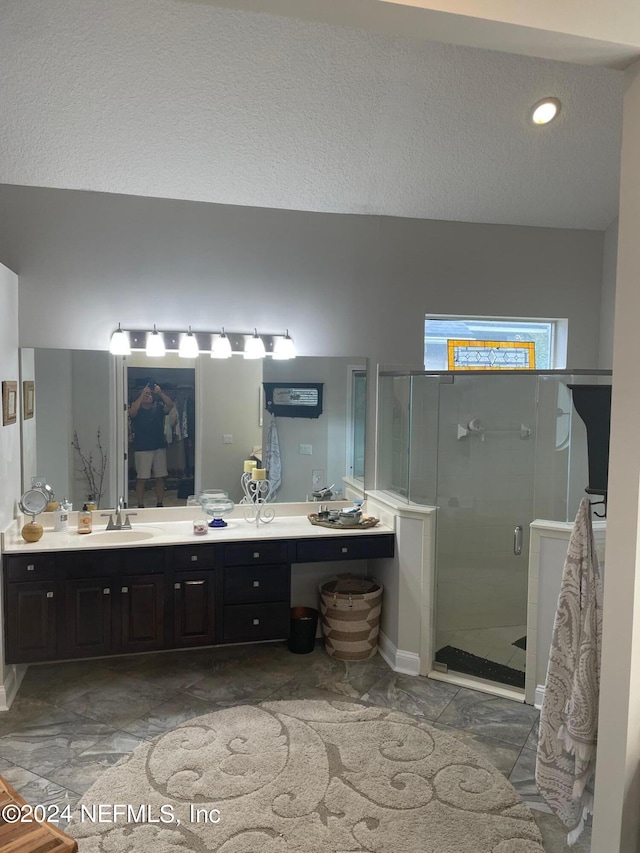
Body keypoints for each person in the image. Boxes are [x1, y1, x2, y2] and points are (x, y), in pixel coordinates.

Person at [129, 382, 176, 507]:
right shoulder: (137, 410)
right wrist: (141, 395)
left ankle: (159, 503)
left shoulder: (158, 408)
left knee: (160, 477)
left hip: (159, 447)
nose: (149, 396)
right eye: (146, 394)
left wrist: (160, 393)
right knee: (142, 478)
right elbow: (131, 412)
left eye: (150, 394)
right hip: (142, 448)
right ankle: (140, 505)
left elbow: (170, 405)